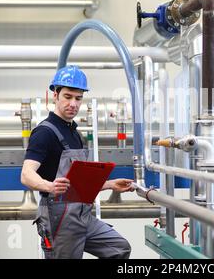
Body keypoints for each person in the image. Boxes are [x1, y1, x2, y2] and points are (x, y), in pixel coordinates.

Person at [21, 65, 133, 259]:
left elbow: (78, 183)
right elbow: (26, 174)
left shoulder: (75, 134)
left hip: (82, 215)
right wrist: (49, 186)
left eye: (78, 98)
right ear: (55, 95)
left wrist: (110, 185)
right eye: (68, 96)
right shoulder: (44, 133)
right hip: (59, 219)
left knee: (119, 248)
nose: (73, 103)